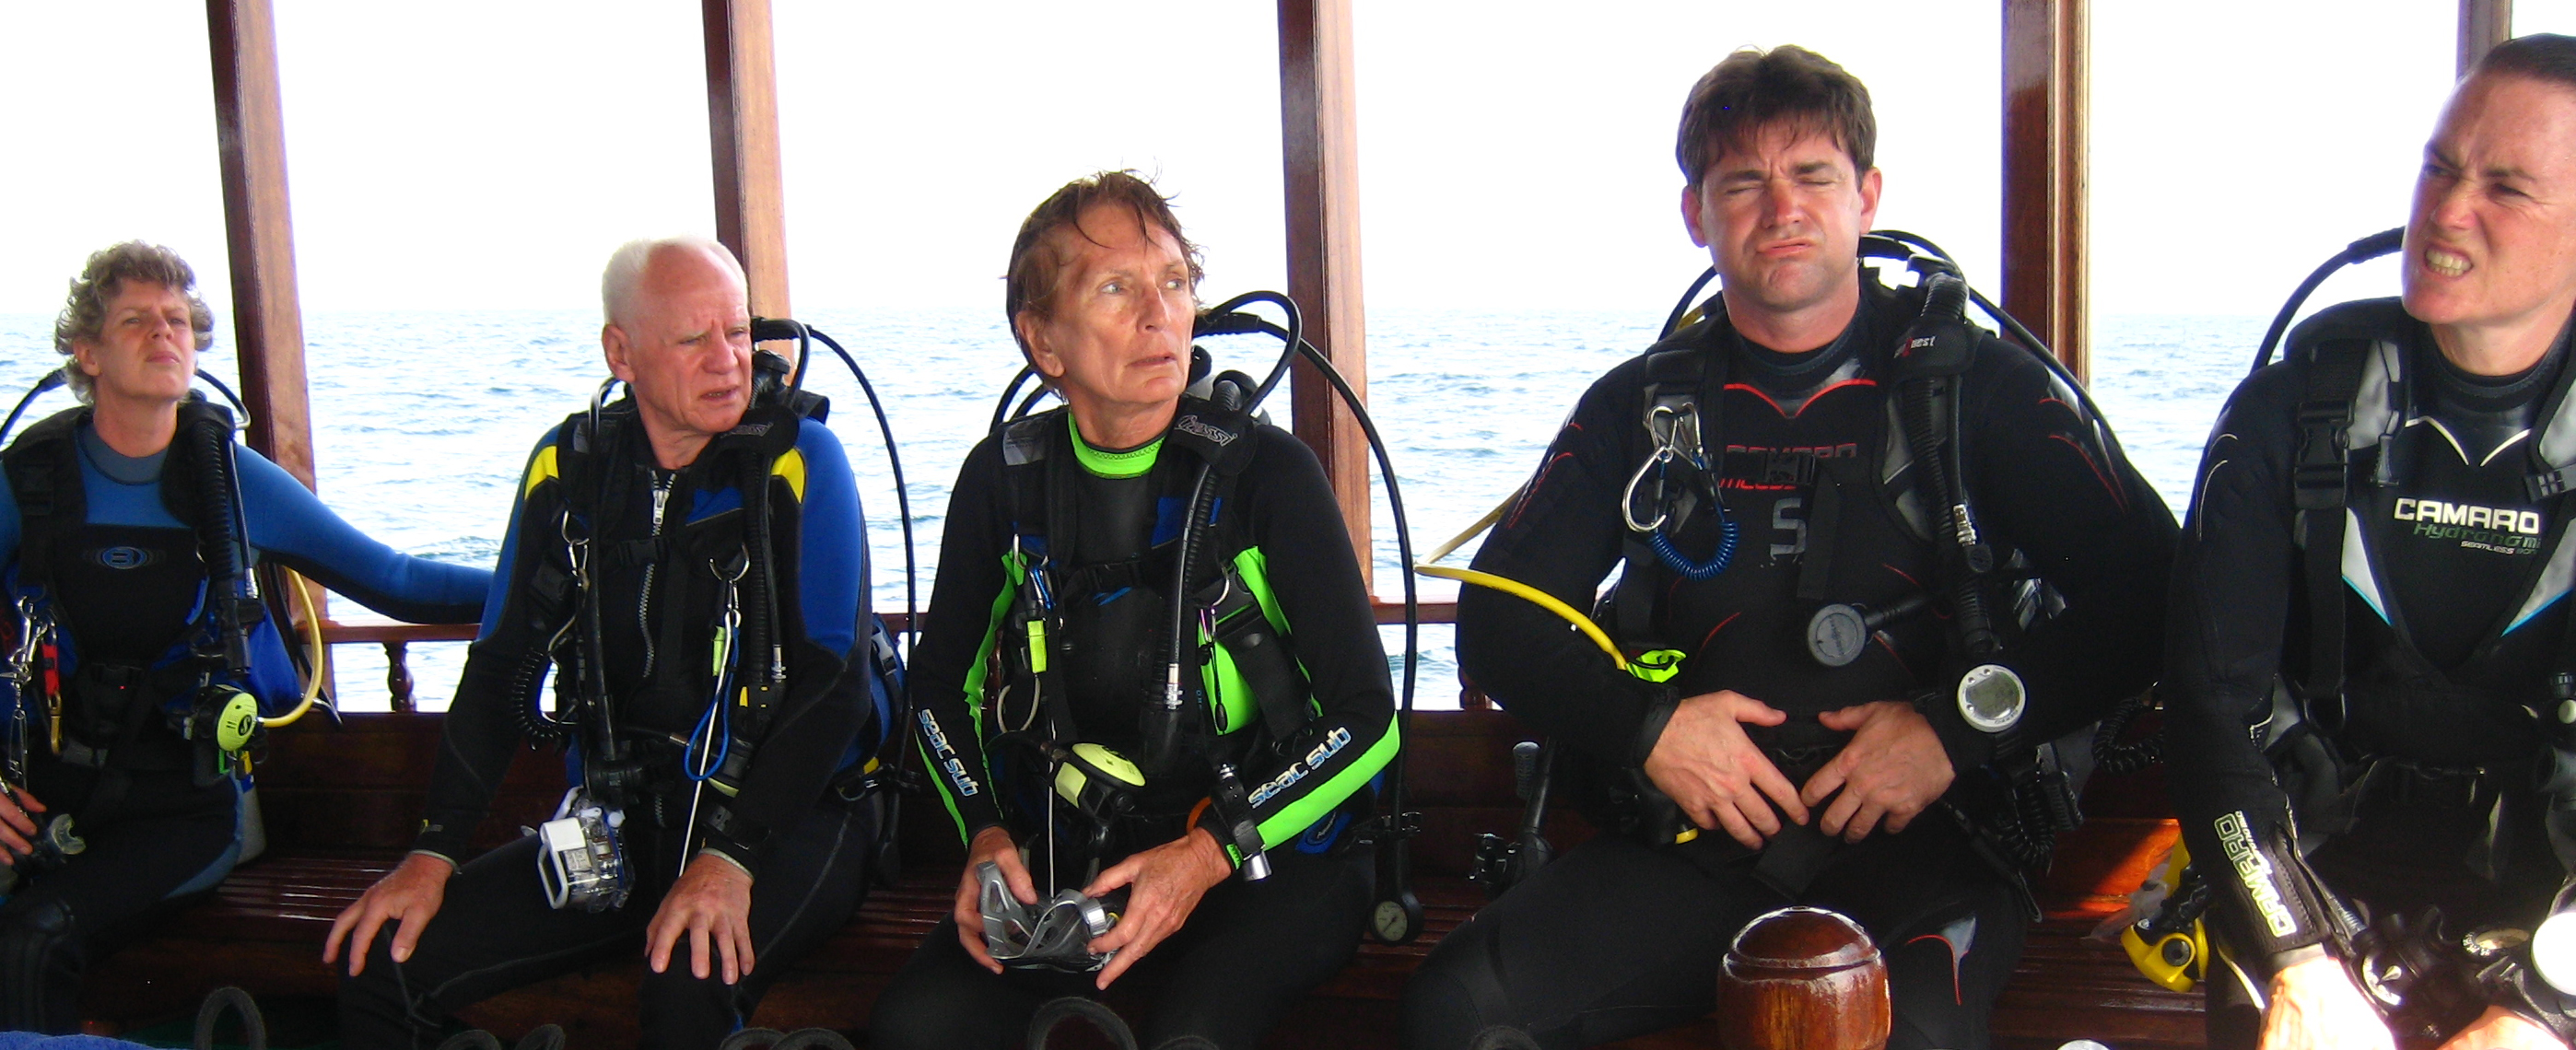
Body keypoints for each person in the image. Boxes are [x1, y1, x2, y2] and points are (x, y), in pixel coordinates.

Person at [1402, 46, 2176, 1049]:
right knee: (1453, 1012)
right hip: (1694, 845)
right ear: (1696, 214)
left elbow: (2152, 598)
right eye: (1742, 184)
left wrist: (1950, 733)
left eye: (1811, 175)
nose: (1782, 210)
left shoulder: (1974, 391)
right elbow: (1497, 621)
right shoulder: (1644, 405)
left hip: (1931, 847)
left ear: (1866, 193)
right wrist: (1652, 731)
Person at [866, 171, 1397, 1050]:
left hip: (1273, 857)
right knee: (914, 1027)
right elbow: (935, 690)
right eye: (1117, 288)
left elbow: (1369, 722)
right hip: (1075, 849)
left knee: (1193, 1033)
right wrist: (986, 835)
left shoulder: (1268, 477)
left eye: (1176, 283)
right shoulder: (1007, 483)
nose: (1161, 316)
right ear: (1044, 342)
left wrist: (1207, 856)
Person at [325, 237, 885, 1049]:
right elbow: (497, 666)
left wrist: (731, 858)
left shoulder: (800, 462)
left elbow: (832, 685)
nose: (728, 361)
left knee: (684, 980)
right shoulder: (571, 469)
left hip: (796, 820)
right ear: (620, 352)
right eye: (694, 340)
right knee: (380, 960)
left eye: (738, 331)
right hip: (623, 821)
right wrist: (433, 851)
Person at [2166, 34, 2576, 1050]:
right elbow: (2212, 716)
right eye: (2439, 166)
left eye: (2506, 187)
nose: (2446, 210)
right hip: (2306, 896)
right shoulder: (2291, 411)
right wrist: (2298, 959)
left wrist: (2540, 1012)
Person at [0, 241, 491, 1032]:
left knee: (32, 937)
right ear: (86, 352)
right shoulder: (29, 482)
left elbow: (395, 579)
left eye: (176, 320)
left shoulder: (231, 482)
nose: (164, 334)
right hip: (43, 798)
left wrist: (554, 582)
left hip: (185, 812)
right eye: (135, 320)